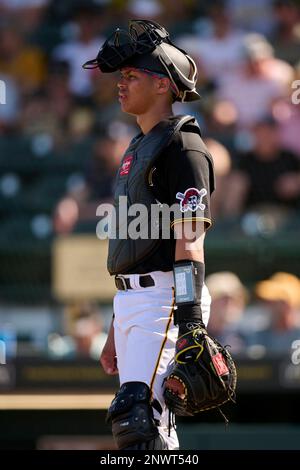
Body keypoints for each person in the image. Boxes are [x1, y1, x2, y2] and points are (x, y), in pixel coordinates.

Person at [83, 19, 215, 450]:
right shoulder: (137, 147)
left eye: (132, 76)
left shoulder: (184, 146)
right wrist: (116, 326)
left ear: (163, 86)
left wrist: (190, 320)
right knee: (149, 428)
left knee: (139, 423)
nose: (121, 84)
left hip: (166, 298)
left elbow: (189, 240)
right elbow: (131, 248)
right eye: (121, 76)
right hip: (136, 300)